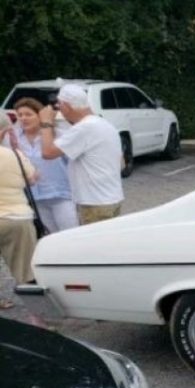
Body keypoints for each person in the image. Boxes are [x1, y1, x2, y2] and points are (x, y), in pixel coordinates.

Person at [38, 83, 124, 225]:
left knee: (92, 246)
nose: (60, 111)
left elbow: (47, 152)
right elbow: (121, 162)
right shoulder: (105, 124)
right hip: (111, 198)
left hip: (94, 203)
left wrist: (46, 122)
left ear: (66, 106)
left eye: (59, 107)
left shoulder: (84, 128)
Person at [3, 97, 79, 233]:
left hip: (61, 195)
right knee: (50, 237)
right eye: (19, 115)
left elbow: (74, 161)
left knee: (70, 234)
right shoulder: (13, 138)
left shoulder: (56, 134)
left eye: (28, 114)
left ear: (40, 116)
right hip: (36, 198)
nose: (23, 118)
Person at [0, 114, 39, 308]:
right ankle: (38, 316)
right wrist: (16, 148)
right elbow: (32, 178)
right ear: (6, 132)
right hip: (16, 219)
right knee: (26, 270)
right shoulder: (13, 155)